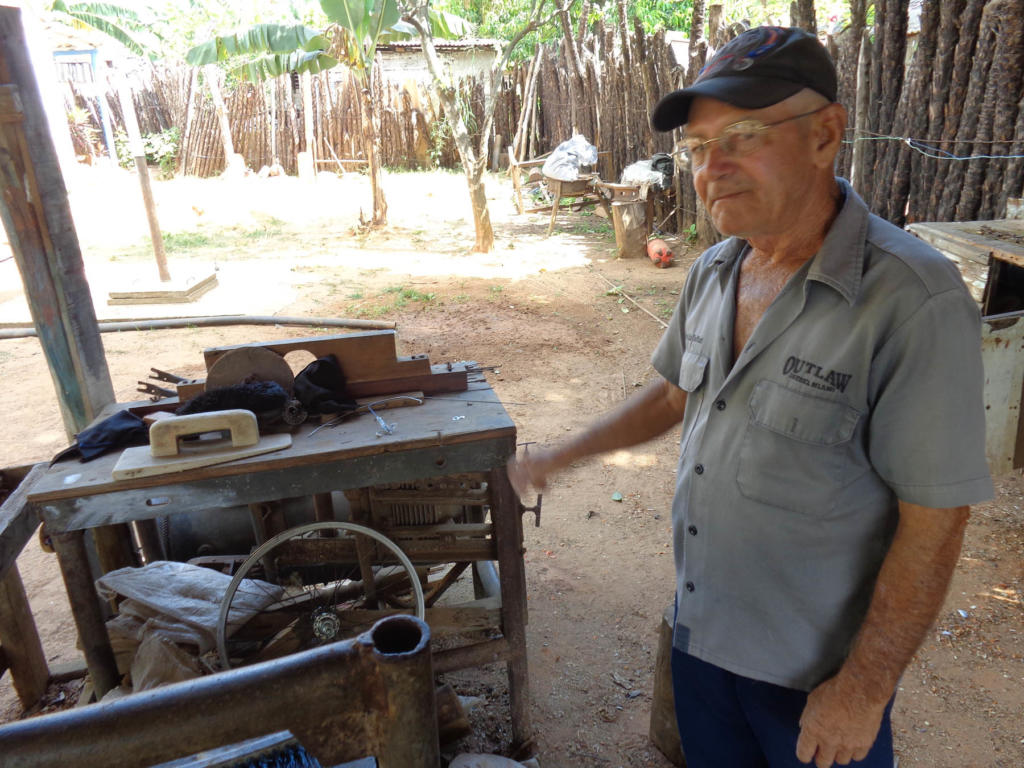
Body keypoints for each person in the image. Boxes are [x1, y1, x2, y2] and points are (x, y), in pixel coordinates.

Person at [507, 26, 993, 768]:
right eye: (699, 148)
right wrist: (559, 455)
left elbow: (936, 520)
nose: (714, 167)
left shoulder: (911, 299)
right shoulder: (715, 270)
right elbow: (672, 398)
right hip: (703, 636)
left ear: (826, 136)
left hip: (812, 677)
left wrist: (863, 690)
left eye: (742, 135)